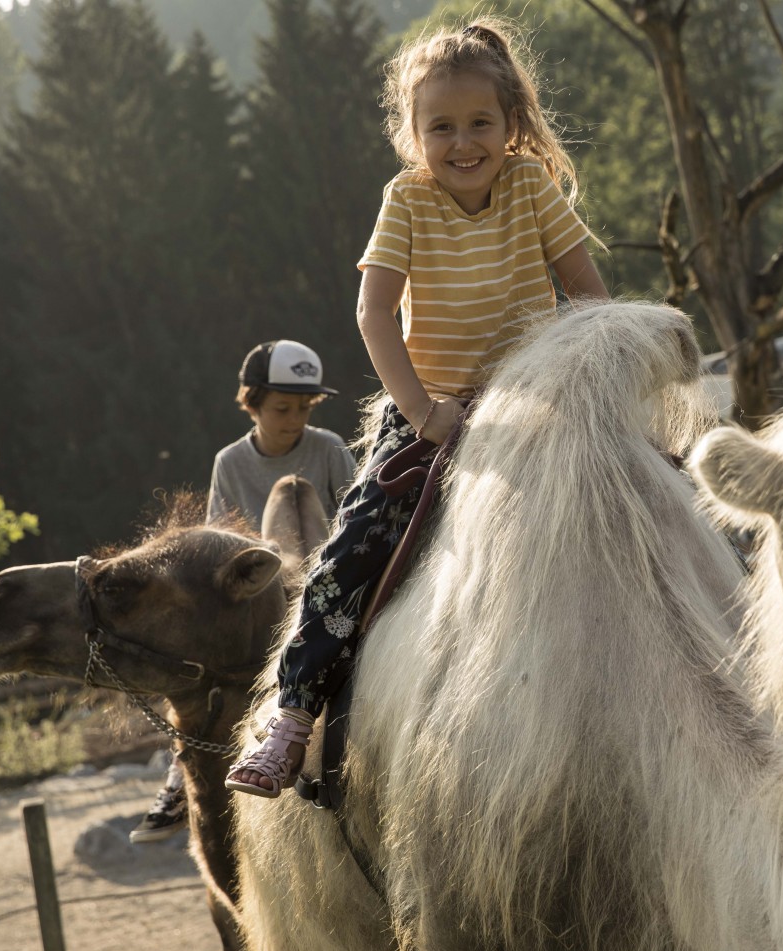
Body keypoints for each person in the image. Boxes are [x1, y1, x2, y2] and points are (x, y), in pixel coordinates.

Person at [224, 17, 608, 798]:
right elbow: (374, 315)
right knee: (355, 546)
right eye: (442, 128)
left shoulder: (530, 186)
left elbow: (591, 300)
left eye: (480, 123)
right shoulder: (407, 199)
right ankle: (293, 717)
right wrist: (424, 412)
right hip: (429, 404)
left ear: (510, 124)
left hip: (535, 398)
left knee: (653, 492)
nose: (463, 143)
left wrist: (590, 383)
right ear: (413, 133)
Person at [130, 338, 357, 842]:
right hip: (258, 594)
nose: (295, 419)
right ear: (252, 404)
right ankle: (179, 779)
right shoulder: (230, 463)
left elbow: (352, 515)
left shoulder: (329, 449)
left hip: (324, 584)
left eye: (305, 407)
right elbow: (220, 544)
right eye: (282, 408)